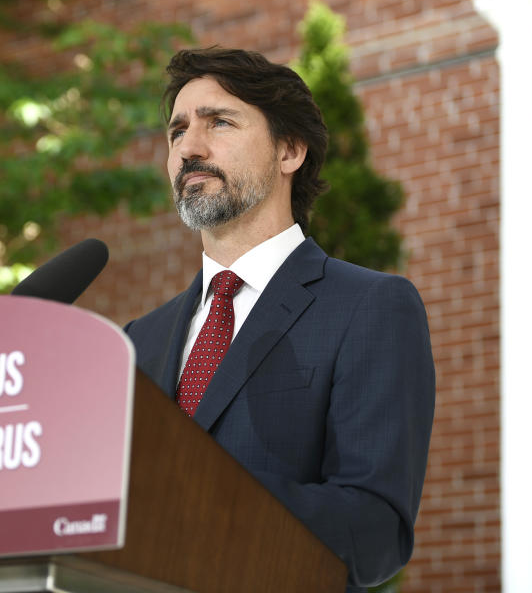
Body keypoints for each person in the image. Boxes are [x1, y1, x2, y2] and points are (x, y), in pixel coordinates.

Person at [124, 48, 435, 591]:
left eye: (219, 122)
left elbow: (374, 532)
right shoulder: (138, 340)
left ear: (290, 150)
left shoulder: (371, 307)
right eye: (177, 131)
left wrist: (196, 499)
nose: (189, 148)